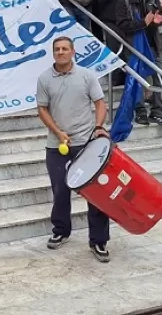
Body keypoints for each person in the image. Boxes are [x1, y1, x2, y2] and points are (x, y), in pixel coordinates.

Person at [36, 36, 110, 261]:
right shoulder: (44, 78)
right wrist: (58, 133)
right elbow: (42, 109)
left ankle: (98, 241)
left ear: (73, 52)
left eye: (64, 49)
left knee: (96, 195)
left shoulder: (87, 76)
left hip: (87, 144)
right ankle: (60, 232)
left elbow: (100, 104)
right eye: (57, 49)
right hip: (57, 145)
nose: (61, 52)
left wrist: (98, 127)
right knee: (60, 191)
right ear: (53, 53)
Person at [115, 0, 162, 126]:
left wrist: (159, 19)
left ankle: (158, 111)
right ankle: (140, 112)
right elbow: (122, 24)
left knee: (159, 77)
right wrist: (143, 23)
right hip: (133, 46)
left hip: (153, 44)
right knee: (137, 79)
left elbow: (160, 16)